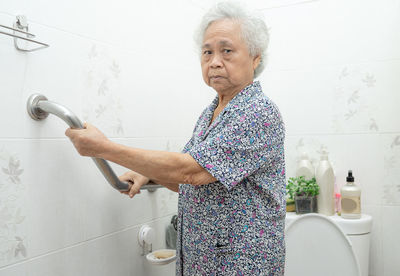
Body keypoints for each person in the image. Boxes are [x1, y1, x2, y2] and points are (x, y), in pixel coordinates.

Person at [65, 1, 286, 275]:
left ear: (255, 57)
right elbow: (190, 180)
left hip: (241, 264)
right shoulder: (212, 113)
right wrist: (150, 175)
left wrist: (103, 148)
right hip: (203, 259)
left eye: (226, 51)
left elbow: (192, 171)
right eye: (207, 52)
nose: (214, 61)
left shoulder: (257, 112)